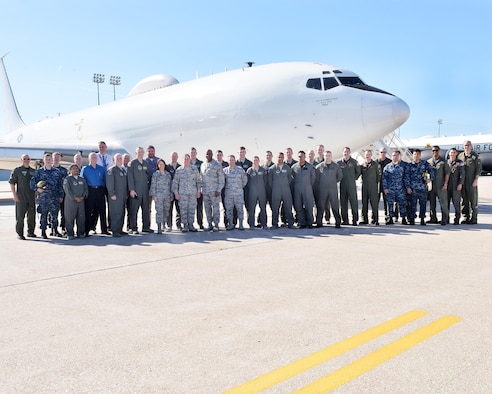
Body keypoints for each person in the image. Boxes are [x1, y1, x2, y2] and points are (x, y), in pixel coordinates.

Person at [30, 153, 64, 239]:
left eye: (50, 159)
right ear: (44, 161)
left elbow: (60, 185)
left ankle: (55, 230)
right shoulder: (39, 171)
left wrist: (61, 196)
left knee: (55, 215)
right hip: (44, 197)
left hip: (54, 197)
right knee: (44, 215)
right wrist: (37, 189)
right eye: (46, 159)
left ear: (52, 160)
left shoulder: (57, 172)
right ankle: (43, 231)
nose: (48, 161)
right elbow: (32, 182)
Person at [9, 154, 37, 239]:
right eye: (24, 159)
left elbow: (37, 183)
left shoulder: (33, 171)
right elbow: (12, 183)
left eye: (28, 159)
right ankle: (20, 233)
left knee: (32, 216)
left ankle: (31, 232)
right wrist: (14, 195)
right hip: (21, 197)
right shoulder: (17, 170)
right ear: (21, 160)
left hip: (31, 197)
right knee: (20, 216)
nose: (26, 160)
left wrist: (37, 194)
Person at [81, 152, 109, 236]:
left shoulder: (101, 169)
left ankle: (104, 229)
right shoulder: (85, 169)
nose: (94, 158)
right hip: (90, 190)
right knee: (88, 211)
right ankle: (87, 230)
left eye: (95, 157)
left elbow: (104, 180)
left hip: (100, 190)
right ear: (89, 159)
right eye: (92, 157)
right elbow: (83, 181)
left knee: (102, 210)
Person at [172, 153, 201, 232]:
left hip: (192, 193)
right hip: (182, 194)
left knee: (192, 210)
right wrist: (176, 193)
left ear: (190, 160)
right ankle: (185, 225)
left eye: (187, 159)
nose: (186, 160)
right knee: (183, 210)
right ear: (182, 160)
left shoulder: (194, 169)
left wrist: (198, 191)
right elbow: (175, 183)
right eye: (184, 159)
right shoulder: (179, 170)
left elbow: (198, 181)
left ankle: (191, 225)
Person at [127, 146, 153, 234]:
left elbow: (149, 177)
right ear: (136, 153)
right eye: (139, 152)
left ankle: (146, 227)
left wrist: (150, 189)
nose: (140, 153)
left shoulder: (146, 163)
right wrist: (131, 189)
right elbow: (130, 178)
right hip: (136, 191)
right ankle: (133, 228)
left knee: (146, 209)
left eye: (142, 152)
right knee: (134, 210)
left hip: (145, 191)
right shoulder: (132, 163)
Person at [315, 150, 342, 228]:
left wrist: (332, 182)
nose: (327, 157)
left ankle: (338, 222)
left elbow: (339, 176)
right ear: (324, 156)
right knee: (320, 206)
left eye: (329, 155)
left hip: (332, 189)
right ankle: (319, 222)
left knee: (335, 206)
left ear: (331, 156)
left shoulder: (336, 166)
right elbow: (316, 178)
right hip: (322, 190)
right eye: (326, 156)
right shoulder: (319, 167)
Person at [406, 149, 434, 225]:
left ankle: (422, 219)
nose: (416, 156)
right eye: (415, 154)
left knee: (423, 204)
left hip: (422, 188)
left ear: (420, 155)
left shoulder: (425, 164)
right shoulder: (409, 165)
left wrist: (429, 178)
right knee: (412, 205)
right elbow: (406, 177)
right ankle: (412, 219)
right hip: (413, 188)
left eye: (418, 154)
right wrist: (408, 187)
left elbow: (432, 171)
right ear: (412, 155)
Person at [201, 149, 225, 232]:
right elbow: (201, 178)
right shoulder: (203, 165)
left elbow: (221, 179)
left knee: (216, 209)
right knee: (207, 209)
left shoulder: (217, 164)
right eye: (206, 154)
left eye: (209, 154)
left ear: (212, 155)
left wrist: (219, 189)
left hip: (215, 192)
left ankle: (216, 224)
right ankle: (209, 224)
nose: (208, 156)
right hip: (205, 191)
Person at [458, 140, 482, 224]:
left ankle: (474, 218)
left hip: (471, 181)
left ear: (471, 146)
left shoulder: (475, 156)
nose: (466, 147)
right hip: (463, 182)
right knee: (464, 200)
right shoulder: (460, 156)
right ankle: (465, 217)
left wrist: (476, 180)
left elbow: (478, 169)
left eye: (468, 145)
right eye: (465, 145)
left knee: (473, 200)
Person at [268, 152, 294, 229]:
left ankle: (290, 223)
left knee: (288, 207)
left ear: (283, 158)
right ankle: (274, 224)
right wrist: (276, 187)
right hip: (276, 191)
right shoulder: (272, 169)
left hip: (286, 190)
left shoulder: (287, 168)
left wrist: (285, 185)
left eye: (282, 157)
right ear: (277, 158)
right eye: (279, 157)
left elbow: (290, 178)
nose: (280, 159)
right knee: (275, 208)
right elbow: (270, 181)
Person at [383, 150, 409, 225]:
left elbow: (406, 178)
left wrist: (407, 187)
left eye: (397, 155)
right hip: (390, 189)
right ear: (391, 157)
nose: (395, 157)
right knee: (390, 204)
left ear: (399, 156)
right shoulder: (387, 167)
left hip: (401, 189)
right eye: (393, 155)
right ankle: (390, 218)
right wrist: (385, 188)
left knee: (402, 204)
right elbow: (384, 178)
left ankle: (403, 218)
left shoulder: (403, 166)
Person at [291, 150, 316, 228]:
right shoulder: (294, 167)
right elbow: (292, 179)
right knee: (298, 206)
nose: (300, 158)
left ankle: (310, 222)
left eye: (302, 156)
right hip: (297, 189)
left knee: (309, 206)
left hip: (307, 188)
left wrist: (308, 185)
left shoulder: (310, 167)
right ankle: (302, 223)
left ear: (305, 157)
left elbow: (313, 178)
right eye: (299, 156)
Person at [63, 164, 88, 239]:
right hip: (71, 201)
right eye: (73, 168)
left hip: (81, 201)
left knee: (81, 218)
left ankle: (80, 233)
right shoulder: (68, 179)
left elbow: (86, 189)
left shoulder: (82, 179)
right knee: (70, 218)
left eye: (76, 168)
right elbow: (67, 190)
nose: (75, 170)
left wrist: (83, 196)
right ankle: (70, 233)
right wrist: (74, 197)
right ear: (70, 170)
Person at [106, 153, 128, 237]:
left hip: (122, 196)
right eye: (117, 158)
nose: (119, 160)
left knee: (122, 212)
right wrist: (112, 194)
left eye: (120, 158)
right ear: (114, 160)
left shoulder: (122, 170)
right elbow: (110, 183)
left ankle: (120, 229)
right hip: (115, 196)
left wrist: (125, 194)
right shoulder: (112, 170)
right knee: (115, 213)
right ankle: (115, 231)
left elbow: (124, 183)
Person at [337, 147, 361, 225]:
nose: (346, 153)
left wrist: (353, 178)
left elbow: (358, 172)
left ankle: (355, 220)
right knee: (343, 203)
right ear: (342, 153)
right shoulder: (339, 163)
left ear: (349, 152)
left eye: (347, 151)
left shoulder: (354, 162)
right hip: (343, 185)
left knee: (354, 203)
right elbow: (337, 174)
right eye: (344, 152)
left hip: (351, 185)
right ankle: (345, 220)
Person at [223, 155, 248, 230]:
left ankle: (241, 224)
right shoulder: (224, 171)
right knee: (229, 209)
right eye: (230, 160)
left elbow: (245, 181)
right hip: (228, 194)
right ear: (228, 161)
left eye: (232, 160)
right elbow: (222, 181)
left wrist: (239, 187)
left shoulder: (240, 170)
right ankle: (230, 224)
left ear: (235, 161)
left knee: (240, 209)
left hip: (238, 194)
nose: (231, 161)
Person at [427, 146, 450, 225]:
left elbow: (447, 173)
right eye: (433, 151)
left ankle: (445, 219)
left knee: (443, 203)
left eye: (436, 150)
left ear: (439, 151)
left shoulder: (444, 161)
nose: (435, 152)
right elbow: (426, 173)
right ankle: (433, 218)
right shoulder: (429, 161)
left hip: (441, 185)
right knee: (432, 203)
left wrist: (445, 184)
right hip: (431, 186)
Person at [150, 159, 173, 234]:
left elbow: (170, 186)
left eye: (162, 164)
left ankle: (164, 224)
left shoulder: (168, 174)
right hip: (158, 196)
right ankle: (159, 227)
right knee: (159, 211)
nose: (161, 165)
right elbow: (153, 185)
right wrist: (154, 196)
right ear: (158, 166)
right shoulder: (155, 174)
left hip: (167, 196)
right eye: (160, 164)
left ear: (164, 165)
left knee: (166, 211)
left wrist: (171, 195)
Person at [360, 150, 382, 225]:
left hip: (373, 187)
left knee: (374, 204)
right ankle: (364, 219)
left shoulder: (376, 164)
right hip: (365, 187)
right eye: (366, 154)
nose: (367, 156)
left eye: (369, 154)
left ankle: (375, 219)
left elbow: (379, 176)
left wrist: (374, 183)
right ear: (364, 155)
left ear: (371, 155)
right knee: (364, 204)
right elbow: (359, 173)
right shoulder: (362, 165)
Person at [246, 156, 268, 229]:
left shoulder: (263, 170)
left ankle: (264, 224)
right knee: (252, 208)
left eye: (257, 160)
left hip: (262, 192)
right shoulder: (249, 171)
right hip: (252, 192)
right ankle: (251, 224)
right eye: (254, 160)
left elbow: (265, 181)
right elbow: (247, 182)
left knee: (263, 208)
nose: (255, 162)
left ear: (259, 161)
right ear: (253, 162)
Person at [447, 148, 465, 225]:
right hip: (447, 186)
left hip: (456, 185)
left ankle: (457, 219)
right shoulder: (446, 162)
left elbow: (462, 174)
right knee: (446, 203)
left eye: (454, 152)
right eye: (451, 152)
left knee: (456, 203)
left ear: (456, 153)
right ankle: (446, 218)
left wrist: (460, 183)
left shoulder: (460, 162)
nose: (452, 154)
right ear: (449, 154)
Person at [235, 146, 252, 225]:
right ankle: (235, 223)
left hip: (247, 188)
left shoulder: (249, 163)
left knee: (248, 205)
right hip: (237, 188)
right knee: (236, 206)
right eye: (240, 152)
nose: (242, 153)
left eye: (243, 152)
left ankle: (250, 222)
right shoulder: (235, 163)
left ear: (245, 152)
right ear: (238, 153)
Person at [52, 152, 68, 235]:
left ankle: (63, 228)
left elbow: (67, 183)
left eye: (58, 157)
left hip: (63, 195)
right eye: (55, 157)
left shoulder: (64, 171)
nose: (56, 159)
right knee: (53, 213)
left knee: (64, 213)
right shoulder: (48, 169)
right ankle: (53, 229)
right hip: (52, 195)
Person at [166, 152, 182, 230]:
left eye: (175, 156)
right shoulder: (167, 167)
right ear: (170, 157)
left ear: (177, 157)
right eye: (172, 156)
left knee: (179, 208)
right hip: (169, 191)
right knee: (169, 209)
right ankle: (169, 225)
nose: (174, 157)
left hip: (178, 191)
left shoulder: (180, 167)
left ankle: (178, 224)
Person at [190, 147, 204, 229]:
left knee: (199, 207)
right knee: (190, 207)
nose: (193, 154)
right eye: (191, 153)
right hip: (189, 189)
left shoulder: (201, 163)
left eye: (194, 152)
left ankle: (200, 223)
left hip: (198, 188)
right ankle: (190, 223)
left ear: (196, 153)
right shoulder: (187, 163)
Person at [377, 148, 392, 221]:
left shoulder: (389, 162)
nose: (383, 153)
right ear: (379, 153)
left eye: (384, 152)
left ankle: (388, 216)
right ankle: (375, 217)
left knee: (387, 201)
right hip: (377, 185)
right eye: (381, 152)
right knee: (375, 201)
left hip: (386, 185)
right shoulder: (375, 162)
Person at [216, 149, 229, 227]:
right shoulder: (213, 164)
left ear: (222, 155)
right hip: (215, 188)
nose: (219, 156)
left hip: (224, 188)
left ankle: (226, 223)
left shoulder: (226, 164)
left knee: (226, 206)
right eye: (217, 155)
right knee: (215, 207)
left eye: (220, 155)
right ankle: (216, 223)